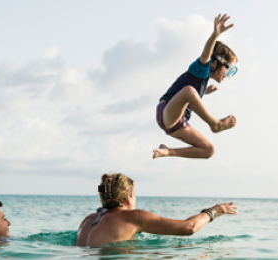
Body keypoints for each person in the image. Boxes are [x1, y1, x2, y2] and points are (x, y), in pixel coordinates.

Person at [153, 13, 239, 159]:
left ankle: (169, 152)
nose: (228, 74)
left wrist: (204, 92)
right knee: (189, 91)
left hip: (178, 123)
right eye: (227, 69)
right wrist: (215, 35)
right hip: (166, 112)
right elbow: (206, 54)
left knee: (209, 150)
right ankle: (215, 124)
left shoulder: (201, 81)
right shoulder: (201, 68)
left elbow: (190, 95)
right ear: (213, 63)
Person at [75, 172, 238, 247]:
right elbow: (189, 228)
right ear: (128, 198)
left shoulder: (88, 220)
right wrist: (215, 210)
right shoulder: (132, 217)